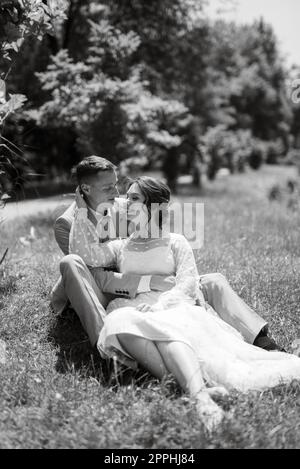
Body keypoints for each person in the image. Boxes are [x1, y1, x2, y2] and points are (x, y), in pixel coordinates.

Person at [69, 175, 300, 433]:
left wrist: (159, 307)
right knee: (119, 322)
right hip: (134, 307)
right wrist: (80, 212)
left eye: (134, 198)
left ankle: (199, 395)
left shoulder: (176, 241)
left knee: (165, 330)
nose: (125, 202)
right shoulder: (122, 246)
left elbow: (188, 283)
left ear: (152, 205)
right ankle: (195, 385)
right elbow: (85, 254)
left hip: (172, 306)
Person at [51, 155, 283, 351]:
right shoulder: (67, 223)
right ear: (85, 189)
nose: (117, 192)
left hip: (139, 277)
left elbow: (153, 237)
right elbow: (96, 275)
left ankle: (259, 338)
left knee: (212, 281)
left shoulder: (123, 205)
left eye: (116, 184)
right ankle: (105, 343)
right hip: (102, 290)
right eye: (108, 187)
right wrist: (150, 282)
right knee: (72, 261)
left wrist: (168, 277)